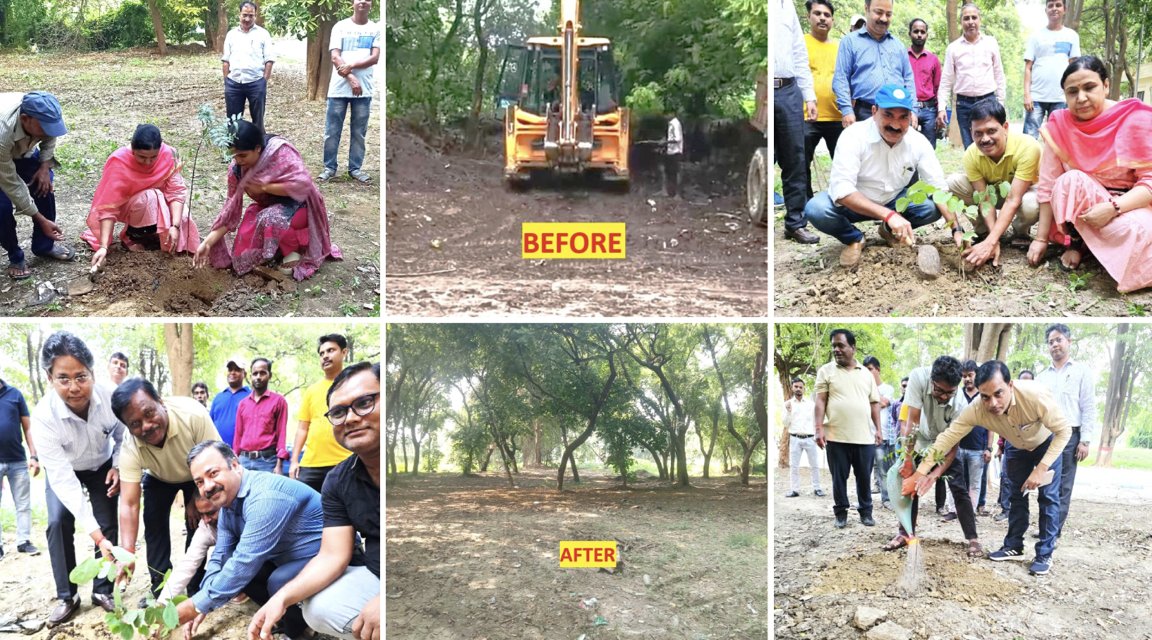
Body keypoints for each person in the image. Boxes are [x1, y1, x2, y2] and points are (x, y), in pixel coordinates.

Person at [249, 362, 381, 640]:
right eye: (339, 412)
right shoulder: (338, 481)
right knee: (318, 608)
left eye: (365, 402)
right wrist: (280, 600)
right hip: (376, 574)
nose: (351, 418)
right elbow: (333, 555)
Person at [903, 361, 1071, 576]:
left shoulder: (1035, 395)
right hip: (1016, 447)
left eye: (998, 394)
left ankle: (1045, 554)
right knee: (1016, 495)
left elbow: (1064, 431)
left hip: (1047, 444)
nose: (992, 403)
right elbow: (946, 439)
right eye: (985, 396)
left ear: (1010, 385)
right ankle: (1014, 546)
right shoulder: (976, 410)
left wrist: (1041, 468)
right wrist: (919, 473)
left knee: (1048, 497)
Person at [174, 441, 323, 638]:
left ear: (235, 465)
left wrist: (196, 605)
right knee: (232, 566)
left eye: (213, 473)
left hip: (326, 555)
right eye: (199, 482)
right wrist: (201, 604)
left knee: (276, 580)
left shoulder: (265, 497)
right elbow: (221, 555)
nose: (207, 486)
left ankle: (299, 631)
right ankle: (287, 619)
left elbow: (245, 562)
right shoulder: (228, 502)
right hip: (287, 557)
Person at [1026, 56, 1152, 289]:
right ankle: (1078, 244)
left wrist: (1113, 208)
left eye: (1089, 87)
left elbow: (1149, 183)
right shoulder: (1060, 125)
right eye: (1072, 92)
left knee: (1138, 231)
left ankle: (1101, 250)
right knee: (1069, 181)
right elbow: (1047, 187)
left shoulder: (1135, 119)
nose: (1081, 98)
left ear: (1105, 85)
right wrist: (1041, 239)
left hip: (1131, 205)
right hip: (1086, 211)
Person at [804, 84, 963, 268]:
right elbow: (842, 191)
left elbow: (938, 189)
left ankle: (889, 231)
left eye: (903, 117)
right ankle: (855, 238)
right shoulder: (853, 136)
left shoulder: (918, 142)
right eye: (888, 115)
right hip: (854, 204)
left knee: (932, 207)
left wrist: (957, 230)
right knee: (817, 209)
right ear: (874, 111)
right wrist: (888, 215)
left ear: (911, 116)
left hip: (894, 200)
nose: (896, 124)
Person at [31, 331, 124, 625]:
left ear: (92, 373)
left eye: (81, 377)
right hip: (65, 471)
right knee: (58, 522)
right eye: (63, 379)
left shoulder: (110, 397)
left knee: (108, 522)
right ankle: (66, 596)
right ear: (49, 378)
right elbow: (63, 481)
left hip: (101, 466)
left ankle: (102, 590)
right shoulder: (43, 417)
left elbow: (125, 436)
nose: (74, 387)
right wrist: (93, 534)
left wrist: (119, 465)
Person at [110, 378, 222, 597]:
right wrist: (127, 552)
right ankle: (160, 588)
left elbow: (215, 464)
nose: (146, 426)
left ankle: (194, 587)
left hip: (197, 473)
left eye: (149, 413)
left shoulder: (193, 415)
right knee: (153, 526)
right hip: (158, 477)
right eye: (135, 423)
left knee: (197, 523)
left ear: (161, 402)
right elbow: (130, 504)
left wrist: (195, 497)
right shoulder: (130, 445)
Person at [193, 120, 341, 281]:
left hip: (301, 206)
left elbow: (303, 185)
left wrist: (265, 188)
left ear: (257, 148)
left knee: (271, 219)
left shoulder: (280, 153)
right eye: (234, 156)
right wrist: (207, 243)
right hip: (269, 206)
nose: (238, 161)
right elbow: (230, 211)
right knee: (247, 228)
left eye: (243, 155)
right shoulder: (236, 170)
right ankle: (273, 251)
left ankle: (296, 251)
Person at [885, 357, 982, 556]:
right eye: (939, 391)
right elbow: (911, 422)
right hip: (919, 439)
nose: (944, 397)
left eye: (950, 392)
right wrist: (909, 460)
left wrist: (933, 476)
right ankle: (905, 533)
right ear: (931, 381)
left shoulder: (962, 404)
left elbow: (953, 447)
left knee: (959, 489)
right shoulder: (918, 378)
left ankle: (973, 538)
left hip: (944, 445)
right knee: (908, 486)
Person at [82, 125, 200, 270]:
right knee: (150, 197)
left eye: (153, 157)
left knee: (183, 216)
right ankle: (133, 236)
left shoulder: (168, 154)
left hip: (160, 202)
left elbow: (175, 192)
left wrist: (175, 226)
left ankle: (160, 237)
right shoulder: (119, 162)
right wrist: (104, 247)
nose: (148, 162)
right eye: (142, 157)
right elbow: (108, 208)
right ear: (132, 150)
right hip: (131, 206)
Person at [946, 99, 1042, 268]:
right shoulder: (971, 155)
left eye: (991, 131)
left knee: (1030, 204)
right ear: (971, 132)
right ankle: (984, 231)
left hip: (1021, 194)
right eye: (978, 133)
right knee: (953, 182)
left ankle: (1020, 231)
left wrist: (992, 243)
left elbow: (1013, 199)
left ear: (1005, 128)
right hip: (994, 193)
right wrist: (993, 238)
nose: (985, 139)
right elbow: (984, 198)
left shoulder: (1028, 147)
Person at [813, 328, 880, 529]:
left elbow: (874, 403)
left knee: (864, 479)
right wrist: (818, 429)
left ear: (853, 347)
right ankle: (841, 513)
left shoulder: (867, 374)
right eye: (834, 346)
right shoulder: (826, 371)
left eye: (840, 345)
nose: (836, 349)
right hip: (836, 437)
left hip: (864, 438)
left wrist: (879, 430)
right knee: (838, 479)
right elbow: (820, 402)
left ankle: (866, 513)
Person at [0, 91, 70, 279]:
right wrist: (40, 218)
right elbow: (11, 184)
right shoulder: (2, 131)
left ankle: (43, 246)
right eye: (44, 127)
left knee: (44, 187)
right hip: (2, 156)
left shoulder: (43, 114)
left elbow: (50, 135)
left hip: (21, 150)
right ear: (25, 119)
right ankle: (15, 255)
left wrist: (45, 166)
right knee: (2, 208)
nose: (49, 131)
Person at [1035, 324, 1096, 538]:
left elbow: (1088, 407)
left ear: (1069, 341)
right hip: (1047, 435)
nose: (1055, 345)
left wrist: (1085, 440)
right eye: (1051, 342)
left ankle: (1053, 531)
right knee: (1046, 483)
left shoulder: (1081, 372)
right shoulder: (1042, 377)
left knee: (1063, 487)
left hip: (1071, 435)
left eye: (1058, 340)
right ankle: (1044, 528)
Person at [774, 0, 819, 245]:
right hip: (767, 89)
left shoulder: (786, 5)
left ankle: (795, 223)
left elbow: (798, 52)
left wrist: (808, 95)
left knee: (795, 158)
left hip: (789, 89)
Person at [321, 0, 380, 184]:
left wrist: (352, 66)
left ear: (371, 4)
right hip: (339, 89)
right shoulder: (340, 27)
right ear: (352, 3)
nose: (363, 2)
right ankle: (329, 168)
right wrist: (351, 77)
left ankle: (355, 169)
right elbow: (335, 56)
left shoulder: (375, 28)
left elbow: (375, 57)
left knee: (358, 132)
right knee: (332, 131)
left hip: (364, 90)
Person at [832, 0, 915, 126]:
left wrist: (913, 110)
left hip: (898, 111)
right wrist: (847, 110)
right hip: (863, 113)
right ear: (866, 9)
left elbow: (908, 79)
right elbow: (840, 78)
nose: (883, 18)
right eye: (879, 12)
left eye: (888, 14)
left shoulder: (898, 46)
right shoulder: (850, 42)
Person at [937, 4, 1006, 150]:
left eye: (974, 17)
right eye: (966, 18)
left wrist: (1001, 102)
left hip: (988, 100)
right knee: (970, 148)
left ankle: (993, 173)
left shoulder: (991, 43)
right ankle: (974, 173)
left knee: (991, 144)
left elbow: (999, 74)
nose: (970, 21)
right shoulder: (953, 48)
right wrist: (942, 108)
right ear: (961, 22)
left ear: (979, 20)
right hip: (964, 105)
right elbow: (946, 80)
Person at [291, 335, 354, 493]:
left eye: (331, 350)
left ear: (344, 352)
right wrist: (294, 461)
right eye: (321, 353)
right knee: (305, 510)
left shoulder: (353, 386)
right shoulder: (312, 390)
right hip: (311, 465)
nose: (325, 355)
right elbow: (302, 428)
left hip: (344, 461)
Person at [803, 0, 844, 201]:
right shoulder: (800, 44)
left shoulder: (840, 48)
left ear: (832, 21)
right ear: (808, 17)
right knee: (801, 163)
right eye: (817, 13)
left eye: (826, 15)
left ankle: (842, 203)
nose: (822, 18)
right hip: (807, 116)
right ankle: (806, 206)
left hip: (837, 116)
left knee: (843, 164)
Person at [1023, 0, 1080, 139]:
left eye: (1058, 5)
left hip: (1061, 97)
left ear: (1064, 9)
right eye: (1050, 5)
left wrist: (1074, 93)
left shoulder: (1072, 36)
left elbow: (1075, 68)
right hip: (1036, 98)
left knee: (1058, 140)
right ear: (1046, 10)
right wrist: (1027, 95)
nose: (1054, 8)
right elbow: (1028, 68)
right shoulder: (1035, 37)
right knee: (1029, 140)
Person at [0, 377, 39, 558]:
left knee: (23, 504)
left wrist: (33, 455)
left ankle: (23, 541)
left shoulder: (15, 394)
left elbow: (28, 428)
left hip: (17, 460)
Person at [157, 490, 219, 604]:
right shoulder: (206, 528)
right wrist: (162, 602)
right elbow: (188, 564)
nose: (206, 520)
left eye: (210, 513)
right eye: (201, 514)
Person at [222, 1, 274, 132]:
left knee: (258, 121)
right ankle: (234, 149)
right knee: (233, 121)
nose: (247, 19)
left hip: (256, 83)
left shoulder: (263, 34)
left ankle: (259, 148)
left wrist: (263, 81)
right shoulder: (231, 35)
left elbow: (269, 60)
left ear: (255, 16)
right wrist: (227, 80)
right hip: (233, 83)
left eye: (251, 15)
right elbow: (226, 60)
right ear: (239, 14)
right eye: (244, 15)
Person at [232, 357, 289, 474]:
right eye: (255, 373)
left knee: (267, 492)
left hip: (267, 461)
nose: (258, 377)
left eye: (262, 373)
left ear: (270, 375)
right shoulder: (242, 404)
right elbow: (238, 436)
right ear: (251, 376)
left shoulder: (279, 401)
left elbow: (281, 434)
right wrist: (235, 461)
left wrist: (279, 465)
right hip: (244, 461)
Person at [783, 378, 824, 498]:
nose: (798, 389)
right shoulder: (787, 404)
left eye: (800, 387)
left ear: (804, 388)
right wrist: (789, 411)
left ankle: (817, 488)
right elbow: (785, 423)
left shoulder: (811, 404)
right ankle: (794, 489)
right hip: (795, 438)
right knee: (794, 466)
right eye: (796, 387)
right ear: (792, 388)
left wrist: (818, 434)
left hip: (810, 438)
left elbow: (817, 420)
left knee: (814, 465)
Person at [906, 19, 941, 147]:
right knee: (906, 146)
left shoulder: (933, 59)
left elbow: (938, 87)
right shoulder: (903, 57)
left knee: (929, 148)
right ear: (909, 33)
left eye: (922, 32)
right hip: (907, 108)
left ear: (926, 35)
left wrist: (939, 112)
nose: (919, 34)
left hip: (929, 110)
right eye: (916, 31)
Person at [863, 356, 893, 500]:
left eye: (870, 369)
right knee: (864, 471)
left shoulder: (888, 389)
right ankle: (864, 500)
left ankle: (886, 499)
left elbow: (882, 403)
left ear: (877, 369)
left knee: (884, 470)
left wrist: (871, 403)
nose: (867, 373)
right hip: (865, 436)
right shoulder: (863, 389)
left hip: (883, 436)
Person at [209, 357, 250, 447]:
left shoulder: (251, 396)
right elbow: (209, 424)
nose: (232, 372)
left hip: (243, 454)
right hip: (218, 451)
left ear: (245, 374)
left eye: (237, 370)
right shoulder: (218, 397)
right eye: (230, 369)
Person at [663, 108, 684, 198]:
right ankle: (670, 192)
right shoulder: (671, 124)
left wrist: (666, 142)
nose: (665, 117)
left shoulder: (675, 124)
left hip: (675, 151)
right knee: (670, 173)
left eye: (666, 115)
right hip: (671, 151)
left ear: (672, 113)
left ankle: (677, 194)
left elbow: (677, 139)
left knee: (676, 173)